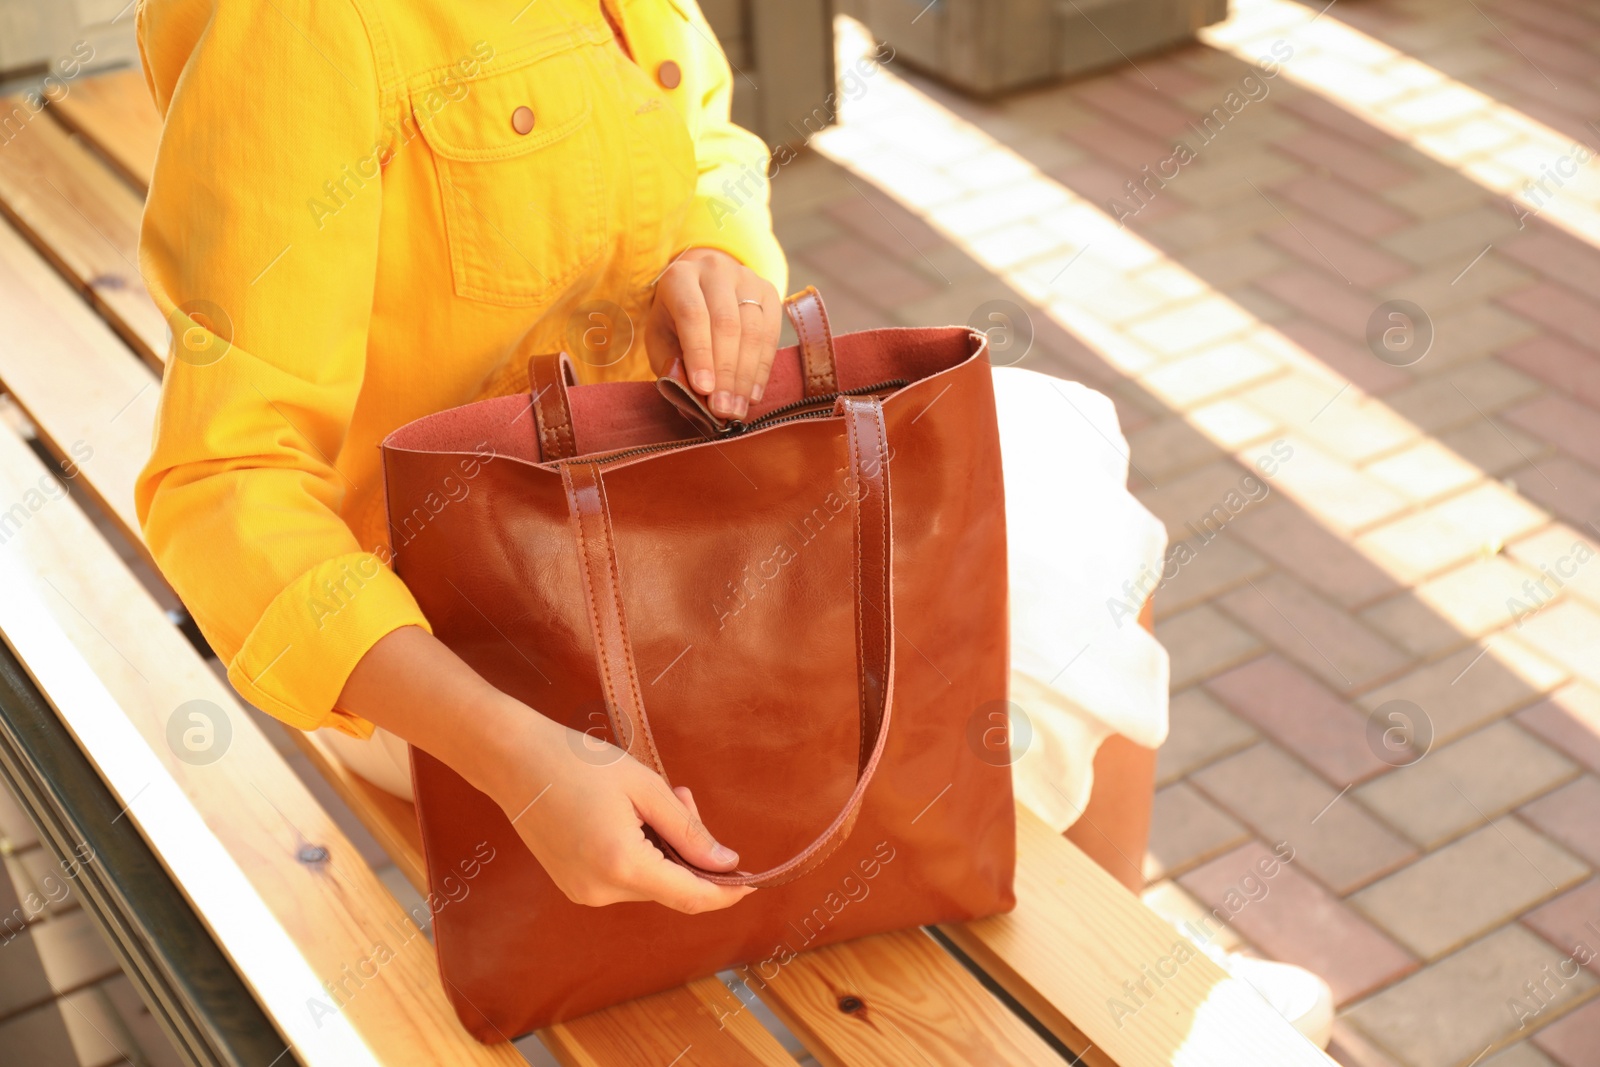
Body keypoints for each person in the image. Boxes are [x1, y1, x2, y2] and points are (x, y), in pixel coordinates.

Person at [132, 0, 1329, 1046]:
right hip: (456, 664)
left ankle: (1106, 960)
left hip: (651, 505)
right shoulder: (290, 20)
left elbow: (702, 126)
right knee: (1058, 580)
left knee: (1065, 467)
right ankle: (1108, 985)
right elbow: (222, 478)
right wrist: (511, 755)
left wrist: (714, 253)